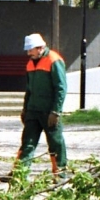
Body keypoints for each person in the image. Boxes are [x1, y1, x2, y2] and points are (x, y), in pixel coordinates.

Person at [15, 33, 68, 175]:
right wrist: (25, 110)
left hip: (49, 111)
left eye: (30, 50)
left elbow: (61, 88)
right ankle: (20, 173)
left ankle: (60, 173)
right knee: (27, 142)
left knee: (55, 143)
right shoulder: (30, 63)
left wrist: (56, 111)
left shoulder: (54, 60)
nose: (28, 53)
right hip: (33, 110)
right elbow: (29, 90)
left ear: (40, 48)